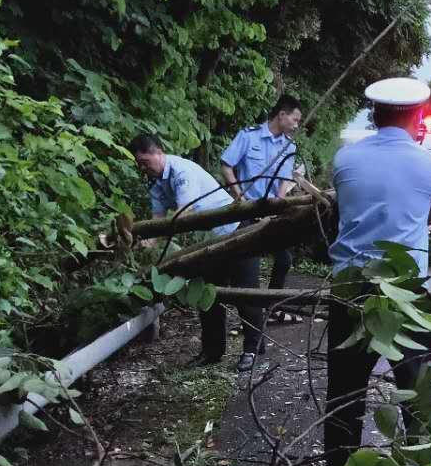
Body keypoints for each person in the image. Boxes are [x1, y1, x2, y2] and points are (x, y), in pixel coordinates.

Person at [323, 77, 431, 466]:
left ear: (374, 115)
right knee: (419, 388)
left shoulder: (346, 158)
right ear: (417, 117)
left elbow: (343, 205)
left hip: (349, 287)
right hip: (404, 291)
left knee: (344, 390)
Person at [130, 135, 240, 367]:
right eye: (139, 163)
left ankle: (252, 350)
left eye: (145, 161)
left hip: (234, 232)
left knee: (244, 292)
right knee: (209, 295)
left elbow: (184, 213)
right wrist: (147, 244)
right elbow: (158, 220)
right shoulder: (156, 182)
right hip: (207, 242)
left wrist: (161, 241)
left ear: (159, 152)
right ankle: (211, 352)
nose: (143, 168)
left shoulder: (181, 171)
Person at [220, 97, 303, 369]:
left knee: (285, 260)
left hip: (272, 215)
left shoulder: (289, 146)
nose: (297, 124)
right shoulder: (249, 136)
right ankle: (251, 348)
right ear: (282, 115)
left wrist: (279, 205)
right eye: (295, 119)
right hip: (247, 216)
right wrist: (240, 196)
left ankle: (271, 308)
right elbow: (227, 165)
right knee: (248, 281)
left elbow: (284, 182)